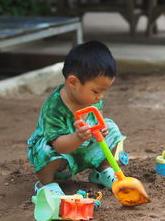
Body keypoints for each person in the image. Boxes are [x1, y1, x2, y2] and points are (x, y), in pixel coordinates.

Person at [27, 41, 125, 195]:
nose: (100, 97)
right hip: (61, 155)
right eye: (96, 91)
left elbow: (98, 121)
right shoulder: (54, 108)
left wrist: (102, 129)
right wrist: (78, 137)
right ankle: (46, 185)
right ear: (73, 82)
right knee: (44, 150)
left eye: (103, 91)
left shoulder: (93, 101)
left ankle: (102, 171)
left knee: (111, 127)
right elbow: (58, 146)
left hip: (83, 147)